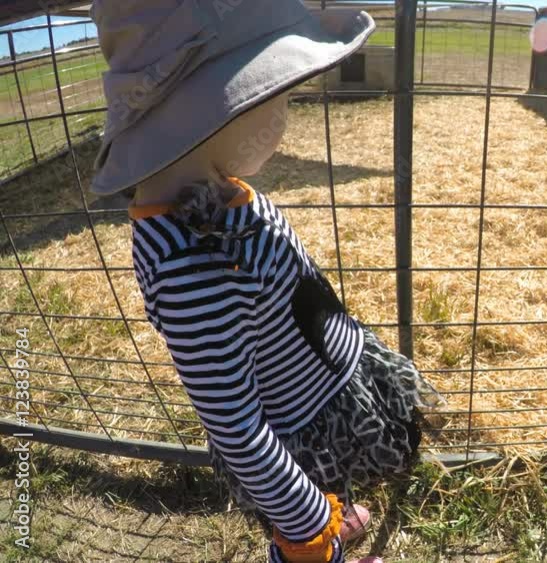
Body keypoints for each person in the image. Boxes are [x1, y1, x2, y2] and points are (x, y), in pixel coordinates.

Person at [88, 1, 442, 562]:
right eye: (272, 97)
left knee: (325, 496)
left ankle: (330, 508)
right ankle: (319, 538)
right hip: (298, 431)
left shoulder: (208, 189)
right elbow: (237, 428)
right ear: (206, 111)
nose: (283, 115)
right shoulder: (191, 271)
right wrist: (306, 520)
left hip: (317, 380)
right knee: (303, 541)